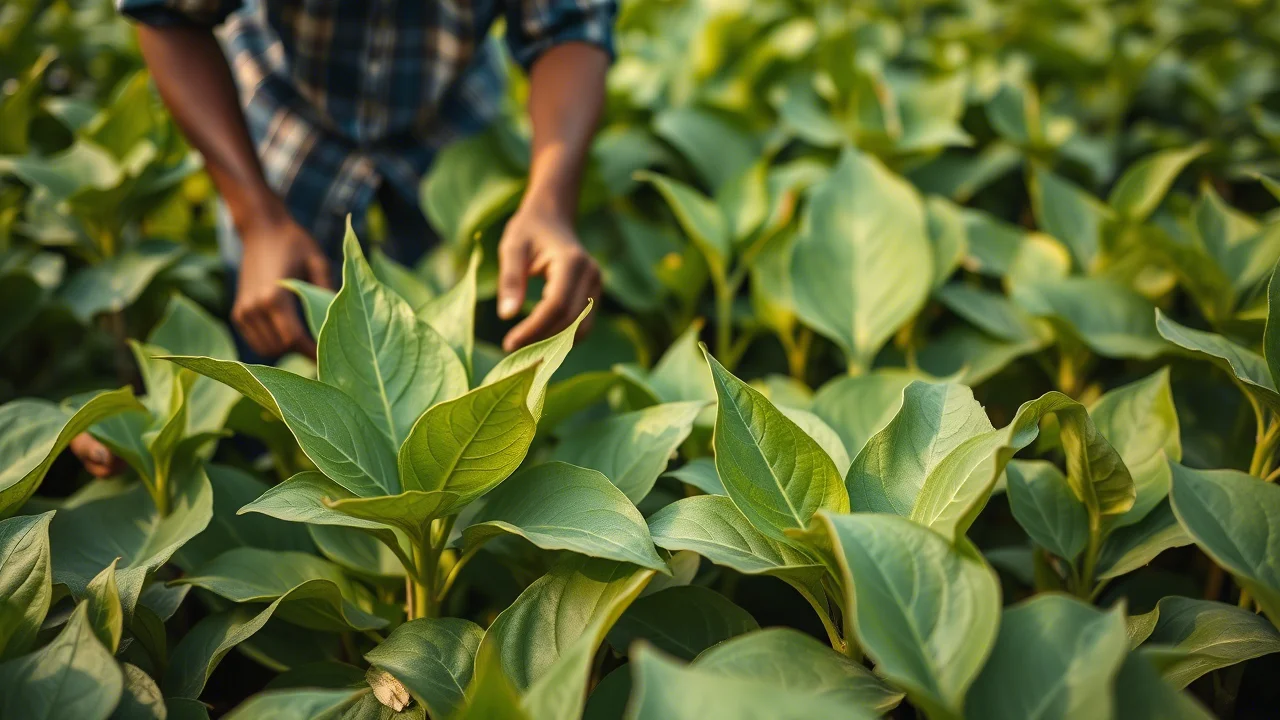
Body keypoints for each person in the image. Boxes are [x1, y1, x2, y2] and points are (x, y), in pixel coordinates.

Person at [71, 0, 611, 477]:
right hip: (281, 132)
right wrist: (257, 219)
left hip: (450, 125)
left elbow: (570, 23)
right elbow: (168, 14)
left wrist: (549, 203)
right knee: (269, 336)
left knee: (462, 354)